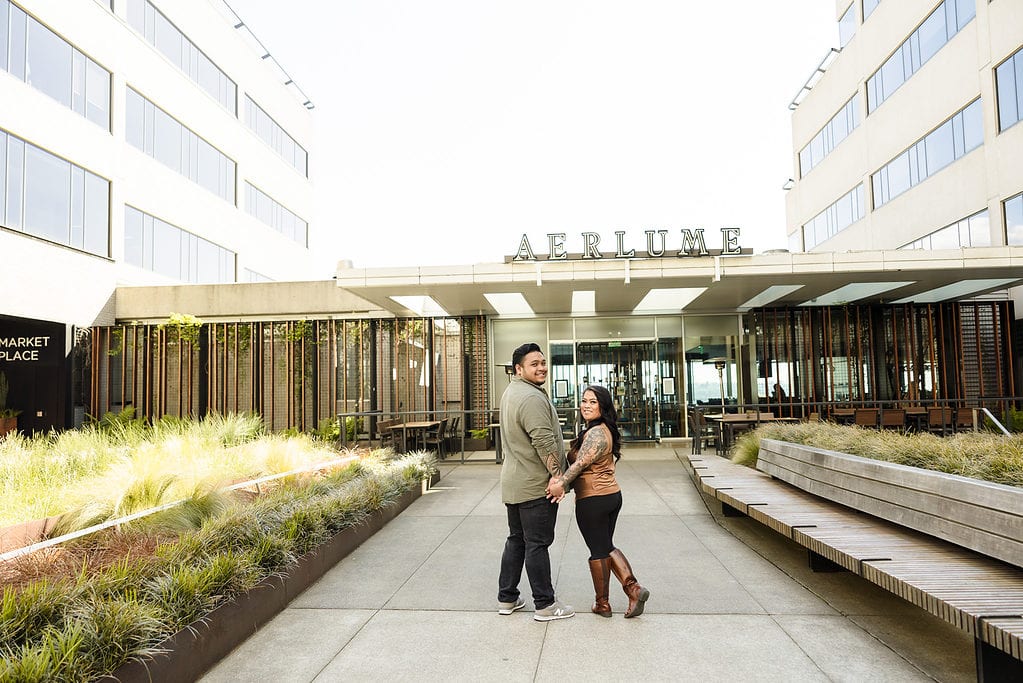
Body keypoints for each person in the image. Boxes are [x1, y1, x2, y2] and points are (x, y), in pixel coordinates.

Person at [546, 385, 650, 618]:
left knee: (598, 549)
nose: (586, 405)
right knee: (605, 546)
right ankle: (625, 592)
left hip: (594, 499)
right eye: (584, 400)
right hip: (611, 496)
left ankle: (616, 597)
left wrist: (560, 484)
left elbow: (580, 464)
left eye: (593, 402)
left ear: (603, 406)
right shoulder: (602, 430)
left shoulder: (595, 433)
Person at [496, 342, 575, 621]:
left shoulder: (512, 392)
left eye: (543, 362)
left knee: (517, 540)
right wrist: (558, 478)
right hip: (534, 486)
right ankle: (544, 604)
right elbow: (543, 440)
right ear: (519, 369)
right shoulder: (531, 398)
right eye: (534, 364)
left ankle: (507, 598)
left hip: (515, 483)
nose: (541, 367)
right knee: (537, 543)